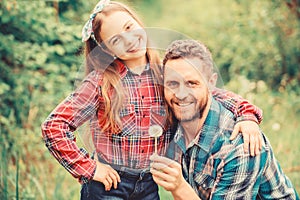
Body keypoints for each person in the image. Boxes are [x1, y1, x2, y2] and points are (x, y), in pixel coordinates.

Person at [41, 1, 263, 199]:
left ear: (139, 22)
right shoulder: (101, 82)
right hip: (108, 186)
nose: (129, 40)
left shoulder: (163, 72)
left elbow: (208, 92)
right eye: (116, 39)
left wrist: (246, 115)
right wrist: (89, 168)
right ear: (107, 50)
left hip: (148, 184)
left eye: (129, 27)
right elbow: (54, 126)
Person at [150, 39, 299, 199]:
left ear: (211, 83)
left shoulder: (239, 147)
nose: (180, 94)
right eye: (172, 83)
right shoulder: (173, 116)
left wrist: (179, 187)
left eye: (192, 83)